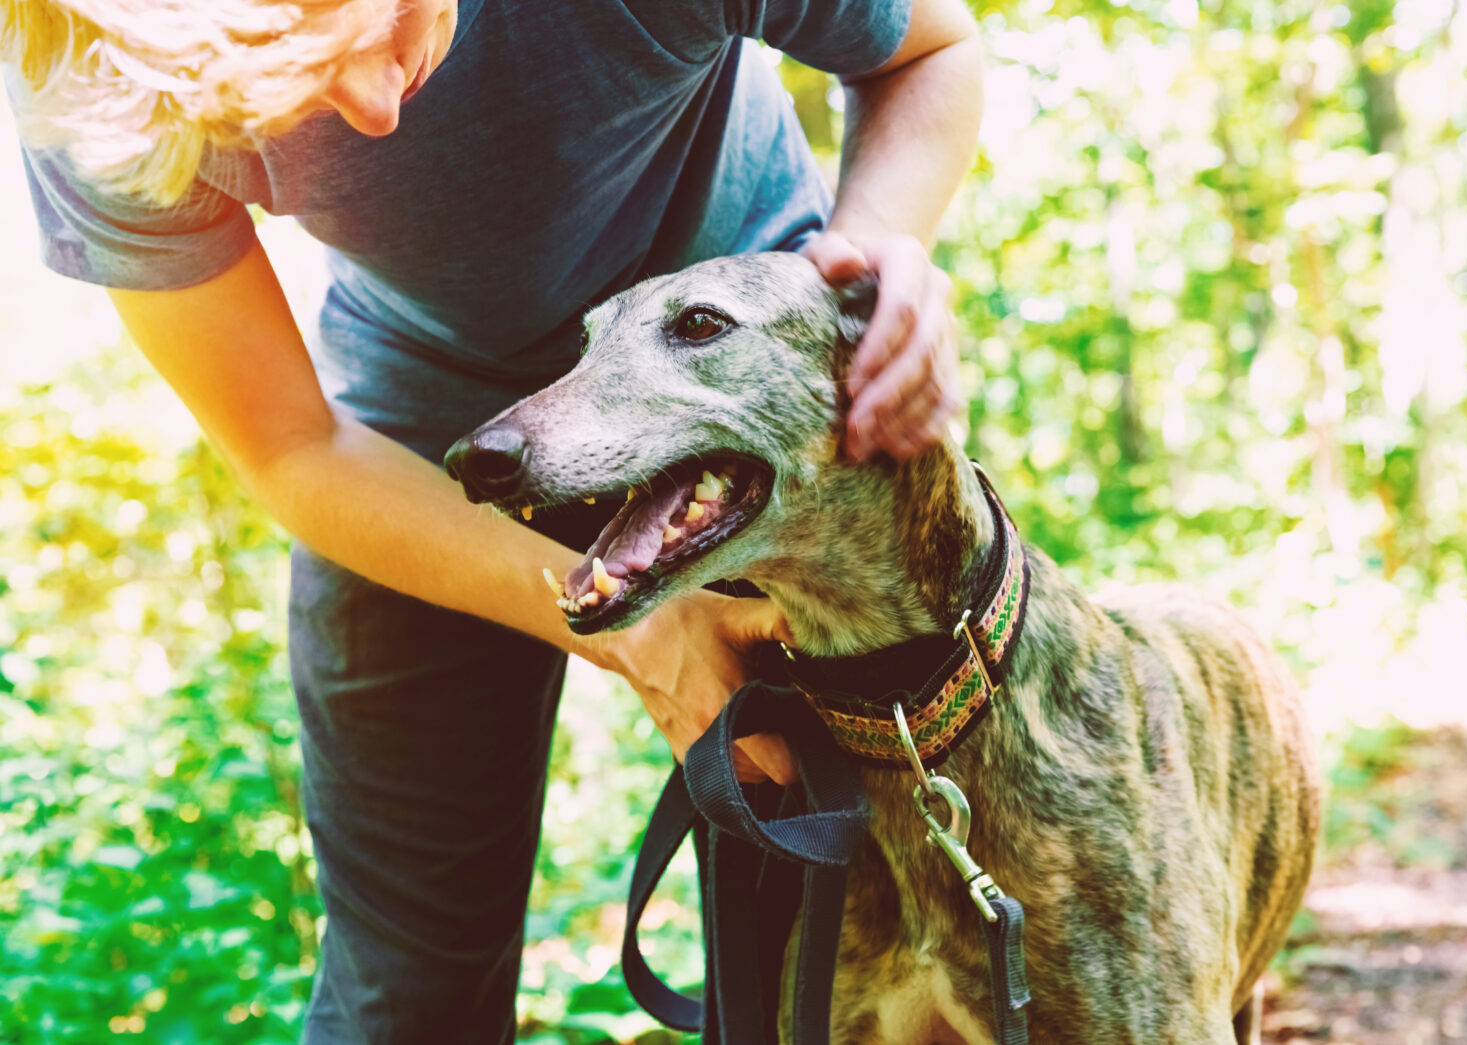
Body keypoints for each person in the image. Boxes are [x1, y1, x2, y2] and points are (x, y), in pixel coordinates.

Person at [2, 0, 983, 1039]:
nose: (376, 112)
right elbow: (289, 445)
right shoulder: (96, 80)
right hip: (416, 453)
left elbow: (933, 48)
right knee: (406, 988)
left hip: (740, 422)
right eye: (272, 112)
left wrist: (864, 274)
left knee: (840, 935)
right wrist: (638, 630)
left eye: (386, 32)